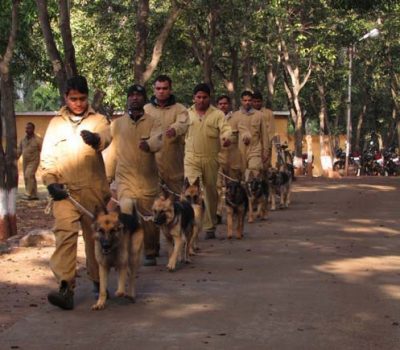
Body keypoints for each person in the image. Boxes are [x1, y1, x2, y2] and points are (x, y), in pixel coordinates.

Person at [41, 75, 111, 310]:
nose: (78, 103)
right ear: (65, 97)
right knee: (65, 236)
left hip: (93, 192)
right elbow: (48, 159)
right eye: (73, 99)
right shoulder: (55, 125)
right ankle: (65, 287)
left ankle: (98, 281)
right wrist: (51, 183)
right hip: (65, 193)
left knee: (96, 240)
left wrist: (96, 139)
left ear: (87, 97)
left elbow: (107, 137)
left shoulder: (99, 119)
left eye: (82, 98)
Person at [106, 84, 162, 267]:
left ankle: (151, 250)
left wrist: (149, 145)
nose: (135, 98)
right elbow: (112, 152)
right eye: (131, 95)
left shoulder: (153, 121)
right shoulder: (117, 124)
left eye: (138, 95)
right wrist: (108, 178)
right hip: (125, 179)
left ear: (144, 99)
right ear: (127, 99)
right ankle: (127, 248)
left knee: (149, 219)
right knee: (127, 209)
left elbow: (158, 139)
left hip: (148, 179)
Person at [184, 84, 232, 239]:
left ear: (209, 98)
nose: (201, 100)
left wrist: (226, 138)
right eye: (198, 97)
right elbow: (178, 128)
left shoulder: (217, 114)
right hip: (191, 157)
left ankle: (209, 226)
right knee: (192, 191)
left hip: (211, 157)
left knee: (210, 191)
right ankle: (191, 224)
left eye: (204, 97)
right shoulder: (186, 114)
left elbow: (226, 129)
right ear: (193, 98)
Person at [144, 75, 189, 194]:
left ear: (170, 90)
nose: (161, 91)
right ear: (154, 90)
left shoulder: (180, 109)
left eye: (164, 88)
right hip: (152, 167)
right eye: (158, 88)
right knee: (154, 206)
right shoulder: (146, 110)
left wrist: (175, 129)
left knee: (178, 204)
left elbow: (183, 123)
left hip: (174, 168)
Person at [216, 95, 242, 223]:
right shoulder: (213, 118)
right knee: (218, 187)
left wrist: (246, 138)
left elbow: (245, 132)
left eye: (225, 103)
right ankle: (218, 213)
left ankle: (236, 211)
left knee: (233, 187)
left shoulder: (237, 118)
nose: (222, 106)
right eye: (220, 104)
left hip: (233, 159)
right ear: (217, 105)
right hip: (218, 158)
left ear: (229, 105)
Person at [233, 90, 268, 180]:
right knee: (241, 175)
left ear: (252, 101)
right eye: (245, 100)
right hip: (240, 151)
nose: (247, 102)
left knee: (254, 171)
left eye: (249, 100)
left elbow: (264, 135)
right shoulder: (235, 116)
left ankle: (254, 191)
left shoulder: (260, 115)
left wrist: (265, 151)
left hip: (255, 149)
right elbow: (232, 135)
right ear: (241, 101)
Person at [17, 122, 43, 200]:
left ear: (33, 129)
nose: (26, 130)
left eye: (29, 128)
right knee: (28, 177)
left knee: (29, 175)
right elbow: (19, 150)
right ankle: (34, 195)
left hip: (34, 161)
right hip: (25, 161)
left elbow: (43, 149)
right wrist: (15, 158)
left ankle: (28, 193)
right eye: (26, 128)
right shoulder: (23, 139)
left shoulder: (38, 140)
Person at [252, 91, 276, 169]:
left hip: (265, 146)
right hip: (252, 146)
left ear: (262, 102)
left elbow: (271, 131)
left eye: (258, 101)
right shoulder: (249, 114)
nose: (256, 103)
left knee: (265, 167)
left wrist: (266, 147)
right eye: (254, 102)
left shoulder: (268, 113)